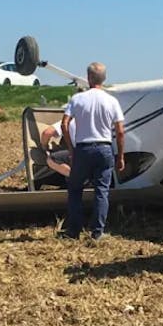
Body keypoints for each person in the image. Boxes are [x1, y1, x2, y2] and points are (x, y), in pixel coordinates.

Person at [61, 62, 125, 240]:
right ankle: (97, 232)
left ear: (88, 77)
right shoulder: (112, 101)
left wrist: (71, 148)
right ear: (104, 78)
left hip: (83, 149)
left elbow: (64, 123)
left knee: (75, 189)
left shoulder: (77, 99)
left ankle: (73, 231)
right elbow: (120, 131)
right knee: (101, 191)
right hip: (104, 148)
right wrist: (120, 156)